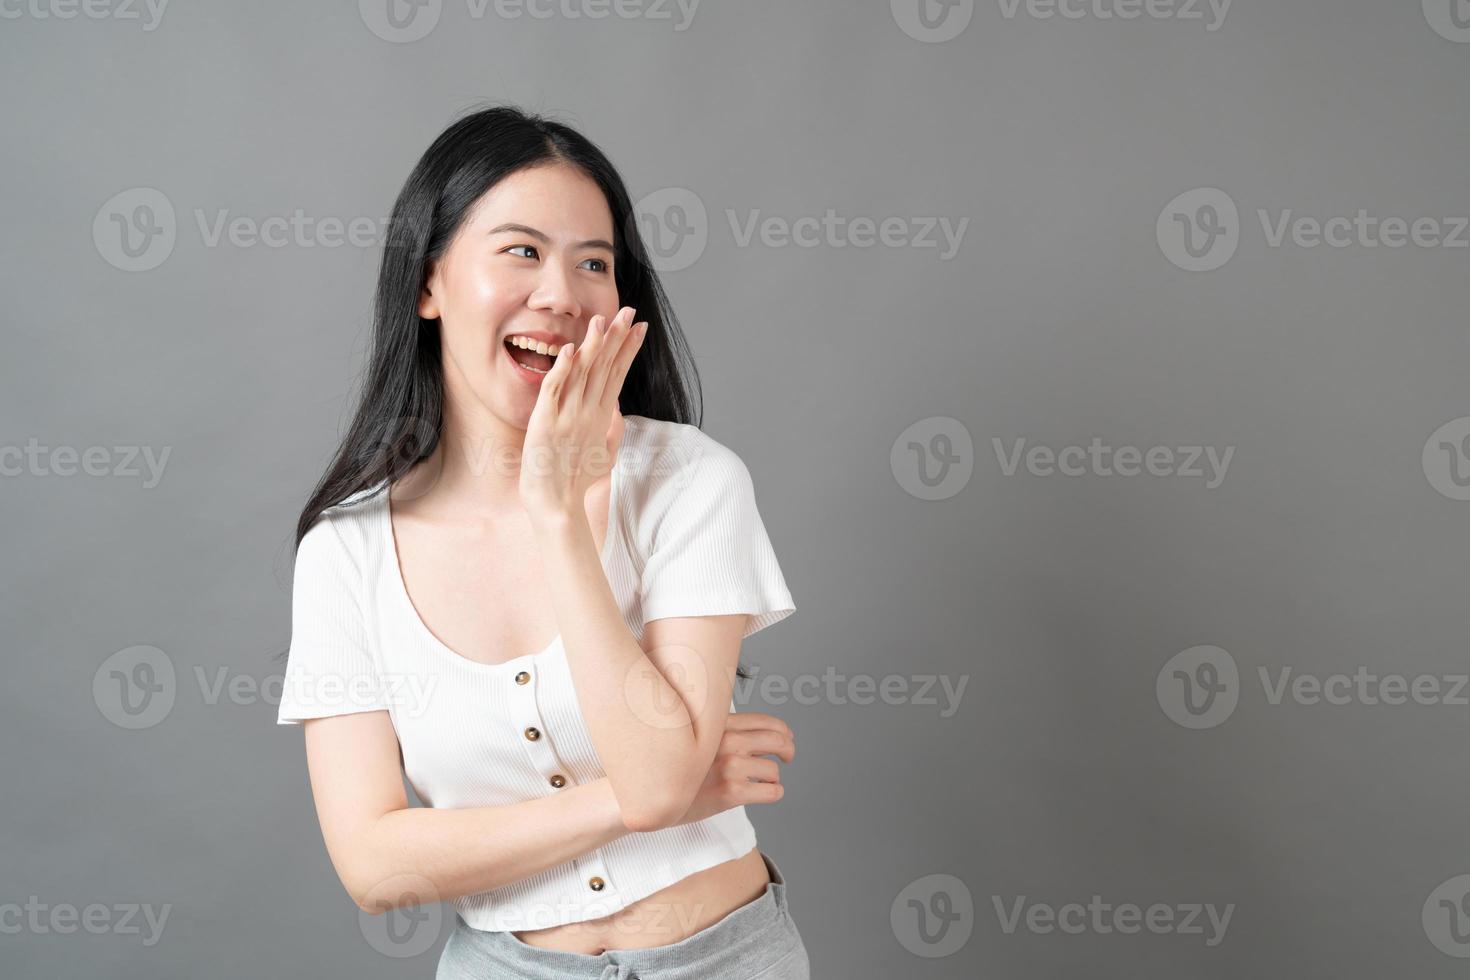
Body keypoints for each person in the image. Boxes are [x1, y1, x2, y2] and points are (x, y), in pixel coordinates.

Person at [275, 104, 810, 979]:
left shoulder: (692, 482)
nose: (561, 294)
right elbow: (374, 867)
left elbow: (662, 779)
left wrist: (559, 518)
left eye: (593, 262)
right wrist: (630, 802)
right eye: (521, 250)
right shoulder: (346, 551)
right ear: (429, 283)